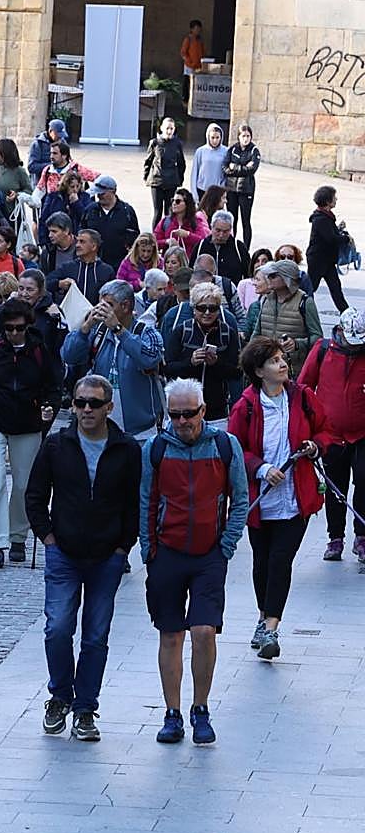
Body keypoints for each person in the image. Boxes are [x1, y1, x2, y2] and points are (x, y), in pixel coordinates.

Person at [26, 374, 142, 742]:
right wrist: (47, 537)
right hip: (63, 553)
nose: (86, 410)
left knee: (95, 635)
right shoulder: (58, 445)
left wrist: (125, 545)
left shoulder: (126, 449)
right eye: (80, 403)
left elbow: (134, 501)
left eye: (94, 403)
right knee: (58, 627)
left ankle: (86, 708)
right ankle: (60, 696)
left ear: (109, 407)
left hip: (107, 556)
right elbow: (35, 494)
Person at [141, 378, 248, 745]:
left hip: (208, 555)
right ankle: (172, 713)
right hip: (167, 553)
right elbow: (146, 500)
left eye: (189, 413)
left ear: (203, 411)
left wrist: (226, 546)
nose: (182, 421)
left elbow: (240, 499)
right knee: (170, 635)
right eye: (175, 415)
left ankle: (200, 708)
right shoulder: (157, 448)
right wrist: (148, 551)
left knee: (203, 633)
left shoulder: (224, 445)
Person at [229, 336, 333, 661]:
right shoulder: (245, 405)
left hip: (295, 499)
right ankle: (263, 618)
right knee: (261, 563)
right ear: (259, 371)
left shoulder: (302, 397)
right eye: (274, 361)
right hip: (260, 502)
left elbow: (325, 430)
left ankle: (272, 627)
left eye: (282, 359)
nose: (283, 364)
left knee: (280, 561)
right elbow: (234, 449)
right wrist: (260, 469)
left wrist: (315, 447)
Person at [0, 298, 60, 569]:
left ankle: (18, 535)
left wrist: (49, 408)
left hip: (29, 423)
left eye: (18, 328)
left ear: (27, 325)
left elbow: (54, 386)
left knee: (23, 483)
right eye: (8, 328)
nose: (13, 333)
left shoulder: (40, 350)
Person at [298, 309, 365, 562]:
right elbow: (305, 386)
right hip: (331, 434)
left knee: (364, 481)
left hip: (361, 434)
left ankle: (362, 536)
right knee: (335, 488)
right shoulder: (324, 350)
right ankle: (335, 537)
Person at [63, 279, 165, 440]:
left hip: (141, 432)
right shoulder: (98, 332)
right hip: (101, 429)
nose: (101, 309)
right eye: (100, 304)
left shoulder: (147, 332)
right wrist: (85, 327)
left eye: (108, 304)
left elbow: (149, 359)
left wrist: (119, 330)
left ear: (125, 306)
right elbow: (69, 356)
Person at [162, 281, 242, 422]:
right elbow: (167, 369)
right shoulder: (181, 331)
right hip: (184, 411)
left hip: (217, 410)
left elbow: (236, 372)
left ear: (219, 310)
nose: (207, 313)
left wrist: (216, 363)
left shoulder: (227, 333)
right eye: (202, 308)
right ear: (193, 309)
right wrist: (190, 362)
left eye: (212, 308)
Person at [247, 259, 323, 374]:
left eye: (273, 276)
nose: (268, 279)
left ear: (287, 279)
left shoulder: (305, 302)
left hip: (294, 370)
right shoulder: (266, 300)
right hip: (267, 368)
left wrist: (297, 344)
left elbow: (317, 337)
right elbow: (257, 333)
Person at [307, 185, 353, 313]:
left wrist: (340, 231)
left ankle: (347, 314)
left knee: (336, 288)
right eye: (334, 197)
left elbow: (331, 235)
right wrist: (345, 238)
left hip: (327, 260)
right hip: (318, 260)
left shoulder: (326, 217)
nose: (336, 199)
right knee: (310, 288)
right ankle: (300, 310)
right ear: (327, 201)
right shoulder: (320, 219)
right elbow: (331, 238)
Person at [79, 175, 141, 272]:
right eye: (97, 193)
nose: (99, 196)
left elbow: (135, 238)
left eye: (102, 193)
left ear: (113, 191)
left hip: (119, 265)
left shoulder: (127, 211)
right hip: (93, 265)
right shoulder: (90, 211)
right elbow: (81, 233)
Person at [46, 228, 114, 306]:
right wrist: (59, 284)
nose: (77, 245)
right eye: (77, 241)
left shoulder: (107, 271)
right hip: (71, 316)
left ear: (94, 246)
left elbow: (113, 297)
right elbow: (44, 284)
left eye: (82, 242)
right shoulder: (68, 267)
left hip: (98, 315)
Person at [144, 118, 187, 228]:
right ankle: (155, 237)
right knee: (157, 212)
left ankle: (168, 235)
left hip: (171, 181)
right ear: (162, 128)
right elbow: (148, 161)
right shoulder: (155, 143)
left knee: (169, 212)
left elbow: (182, 163)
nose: (169, 131)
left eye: (171, 128)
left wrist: (180, 179)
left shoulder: (177, 144)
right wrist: (146, 177)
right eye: (167, 128)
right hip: (156, 181)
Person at [223, 124, 260, 247]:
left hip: (246, 190)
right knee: (232, 219)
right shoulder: (232, 149)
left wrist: (235, 167)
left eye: (248, 136)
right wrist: (241, 168)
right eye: (243, 136)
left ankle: (246, 247)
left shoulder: (254, 151)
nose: (246, 139)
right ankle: (231, 245)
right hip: (232, 189)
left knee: (246, 220)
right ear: (238, 137)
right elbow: (225, 167)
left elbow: (252, 169)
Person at [193, 209, 251, 284]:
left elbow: (248, 274)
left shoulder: (239, 248)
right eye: (218, 230)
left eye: (225, 231)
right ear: (211, 227)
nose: (221, 235)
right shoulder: (201, 246)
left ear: (230, 230)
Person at [38, 171, 93, 247]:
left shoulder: (85, 197)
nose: (75, 190)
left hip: (76, 239)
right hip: (55, 239)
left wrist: (76, 203)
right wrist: (43, 241)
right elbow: (44, 218)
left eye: (77, 186)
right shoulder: (53, 197)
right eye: (72, 186)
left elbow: (86, 217)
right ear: (66, 186)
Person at [153, 188, 208, 260]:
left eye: (178, 201)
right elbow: (153, 242)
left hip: (189, 263)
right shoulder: (165, 221)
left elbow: (202, 241)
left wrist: (187, 235)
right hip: (169, 264)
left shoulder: (196, 221)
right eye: (173, 200)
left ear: (187, 203)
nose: (174, 203)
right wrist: (166, 241)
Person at [34, 141, 100, 196]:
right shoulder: (47, 170)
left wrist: (87, 194)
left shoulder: (76, 168)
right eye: (51, 153)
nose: (51, 156)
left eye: (55, 153)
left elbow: (100, 179)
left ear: (64, 156)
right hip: (53, 208)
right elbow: (40, 189)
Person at [0, 138, 33, 217]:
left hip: (12, 214)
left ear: (4, 152)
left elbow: (29, 190)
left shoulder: (19, 171)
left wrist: (17, 195)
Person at [190, 123, 227, 200]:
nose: (215, 140)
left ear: (221, 137)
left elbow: (226, 172)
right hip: (202, 189)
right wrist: (194, 192)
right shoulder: (200, 151)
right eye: (212, 137)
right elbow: (194, 172)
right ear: (208, 137)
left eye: (217, 137)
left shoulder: (226, 151)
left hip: (217, 190)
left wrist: (222, 186)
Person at [28, 118, 68, 182]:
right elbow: (32, 167)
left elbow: (68, 160)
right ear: (50, 131)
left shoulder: (63, 142)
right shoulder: (37, 144)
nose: (60, 138)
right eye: (58, 135)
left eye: (62, 135)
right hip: (40, 182)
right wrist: (52, 165)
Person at [179, 20, 205, 94]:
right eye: (196, 29)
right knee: (187, 84)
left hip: (198, 66)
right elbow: (183, 53)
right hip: (189, 66)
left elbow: (202, 52)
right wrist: (190, 62)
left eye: (199, 29)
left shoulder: (200, 40)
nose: (198, 31)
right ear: (192, 29)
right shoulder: (188, 39)